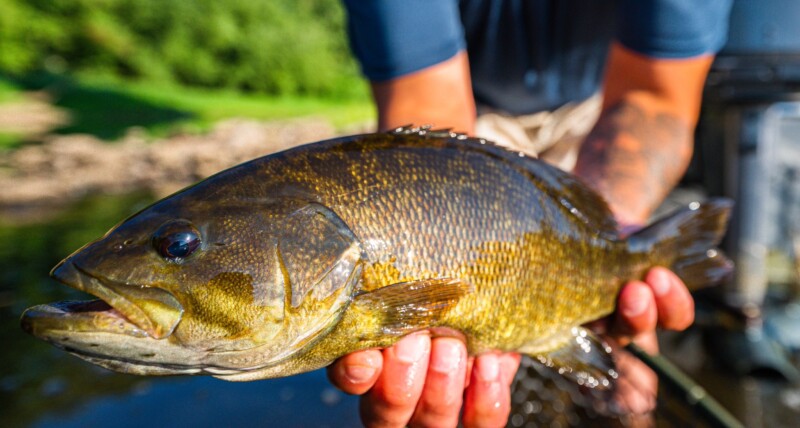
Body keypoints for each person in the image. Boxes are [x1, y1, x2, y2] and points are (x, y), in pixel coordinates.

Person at [328, 1, 733, 426]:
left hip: (602, 104)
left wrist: (607, 225)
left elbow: (653, 97)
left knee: (630, 387)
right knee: (446, 390)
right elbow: (427, 105)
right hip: (466, 119)